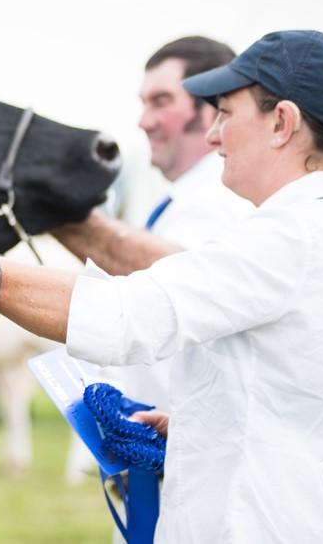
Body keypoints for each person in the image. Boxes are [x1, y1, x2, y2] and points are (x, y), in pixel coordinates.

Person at [0, 30, 323, 542]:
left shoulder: (288, 238)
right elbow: (289, 395)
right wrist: (194, 424)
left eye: (227, 114)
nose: (213, 137)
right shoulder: (313, 228)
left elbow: (126, 317)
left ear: (282, 123)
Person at [54, 36, 251, 417]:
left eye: (161, 101)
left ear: (214, 106)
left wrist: (46, 204)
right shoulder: (180, 196)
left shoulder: (224, 202)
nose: (143, 121)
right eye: (144, 103)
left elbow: (167, 283)